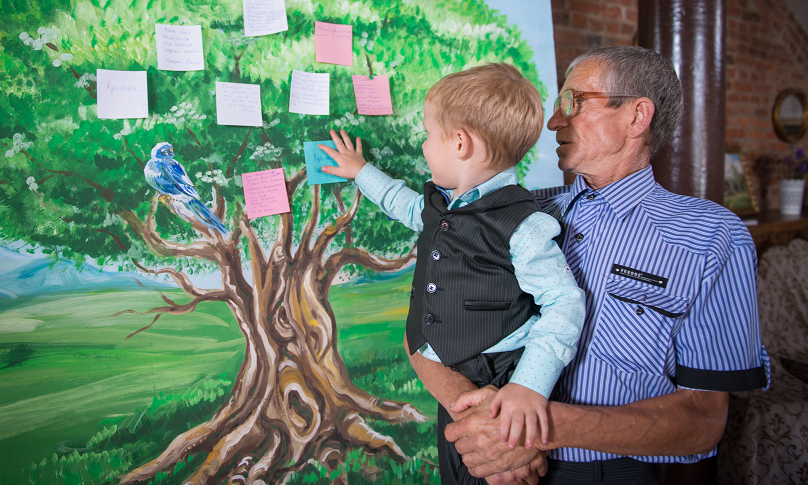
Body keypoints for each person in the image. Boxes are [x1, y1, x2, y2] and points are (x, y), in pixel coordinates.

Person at [436, 46, 770, 485]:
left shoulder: (709, 237)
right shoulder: (516, 214)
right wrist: (481, 420)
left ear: (637, 116)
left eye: (573, 102)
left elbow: (703, 421)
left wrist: (526, 426)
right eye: (557, 105)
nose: (555, 121)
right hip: (484, 462)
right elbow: (423, 321)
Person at [320, 63, 585, 484]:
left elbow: (565, 302)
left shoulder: (523, 224)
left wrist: (528, 387)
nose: (425, 146)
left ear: (460, 143)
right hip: (452, 372)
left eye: (428, 135)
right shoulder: (446, 204)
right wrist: (360, 171)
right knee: (458, 467)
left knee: (500, 471)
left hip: (502, 374)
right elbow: (404, 205)